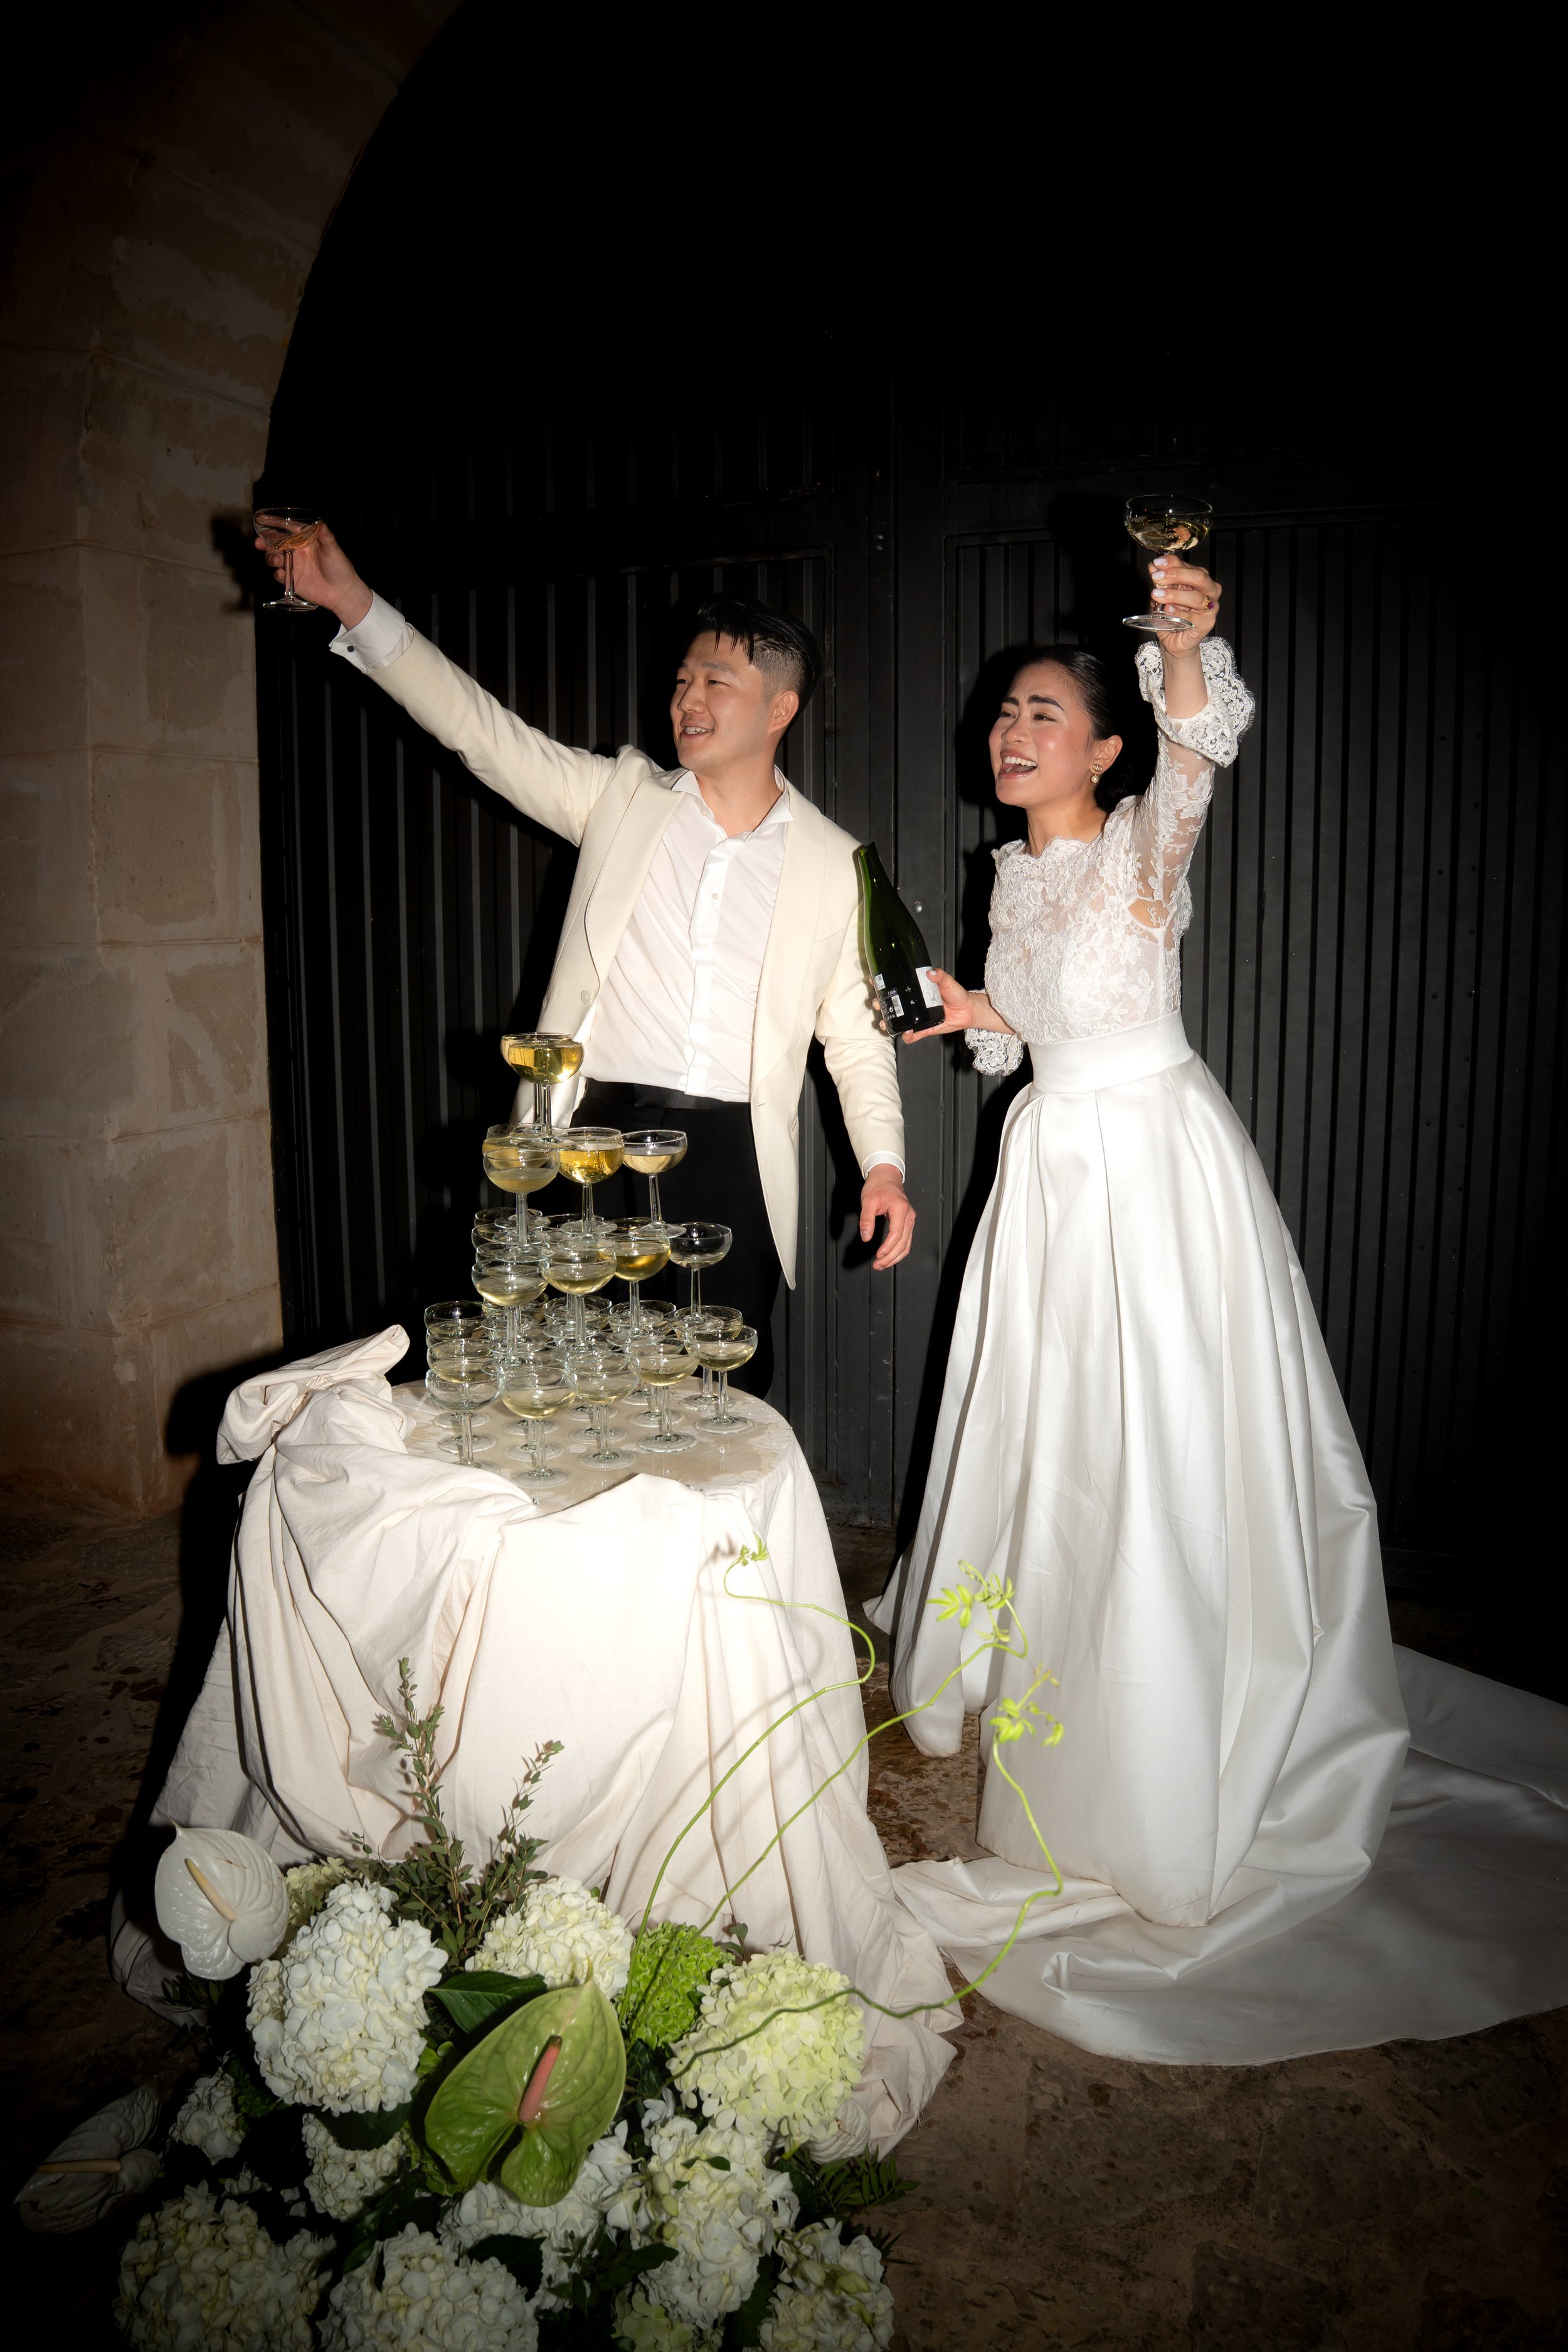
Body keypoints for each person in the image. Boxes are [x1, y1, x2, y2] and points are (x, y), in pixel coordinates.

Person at [869, 554, 1422, 2053]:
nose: (1009, 728)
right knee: (1056, 1444)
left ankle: (1170, 1721)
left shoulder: (1137, 841)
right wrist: (962, 1007)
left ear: (1100, 746)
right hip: (1048, 1173)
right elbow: (1025, 1029)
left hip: (1156, 1173)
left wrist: (1186, 643)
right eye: (1001, 712)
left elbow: (1197, 752)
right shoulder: (1009, 873)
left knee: (1162, 1448)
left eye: (1040, 711)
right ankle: (1043, 1639)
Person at [256, 529, 915, 1392]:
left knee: (716, 1401)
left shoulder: (836, 863)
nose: (688, 697)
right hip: (590, 1142)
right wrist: (356, 606)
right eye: (683, 679)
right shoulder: (622, 797)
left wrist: (886, 1167)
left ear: (779, 709)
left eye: (717, 681)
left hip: (731, 1157)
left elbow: (859, 1043)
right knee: (568, 1386)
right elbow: (480, 732)